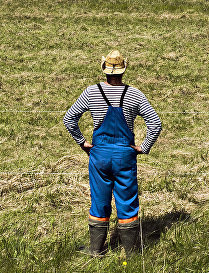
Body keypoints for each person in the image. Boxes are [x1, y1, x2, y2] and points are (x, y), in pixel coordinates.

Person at [63, 50, 162, 257]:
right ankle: (132, 254)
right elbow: (155, 123)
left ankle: (96, 249)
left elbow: (69, 119)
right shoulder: (134, 94)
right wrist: (144, 147)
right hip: (125, 156)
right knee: (127, 202)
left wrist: (83, 143)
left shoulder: (91, 92)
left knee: (99, 201)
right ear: (124, 70)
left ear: (104, 70)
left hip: (99, 155)